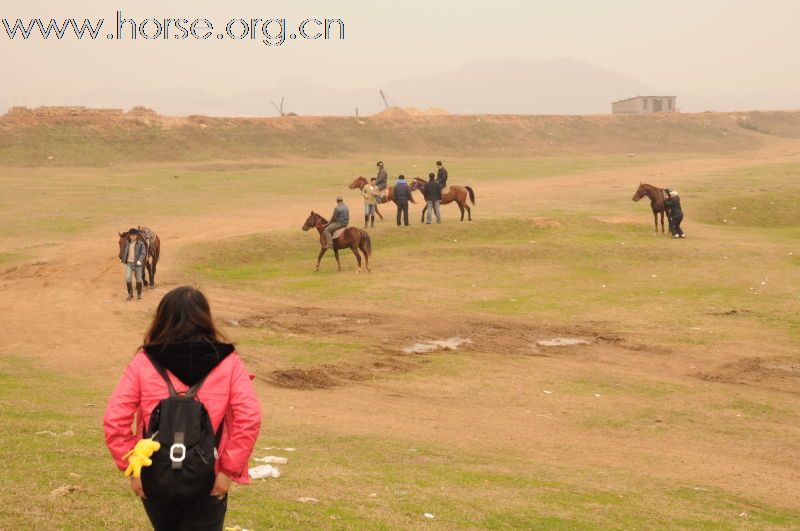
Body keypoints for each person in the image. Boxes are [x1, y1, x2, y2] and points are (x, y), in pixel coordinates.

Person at [103, 286, 262, 531]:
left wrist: (132, 468)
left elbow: (115, 418)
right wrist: (228, 470)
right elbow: (249, 417)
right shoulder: (229, 363)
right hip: (209, 475)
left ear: (162, 318)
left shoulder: (144, 362)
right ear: (205, 318)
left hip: (155, 473)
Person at [121, 228, 147, 301]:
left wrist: (140, 260)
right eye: (131, 235)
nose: (133, 236)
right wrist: (123, 258)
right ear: (130, 236)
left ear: (136, 236)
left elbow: (143, 253)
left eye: (134, 235)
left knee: (139, 279)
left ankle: (139, 294)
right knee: (128, 278)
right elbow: (124, 251)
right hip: (129, 263)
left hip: (137, 264)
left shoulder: (140, 244)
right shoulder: (127, 243)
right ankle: (130, 294)